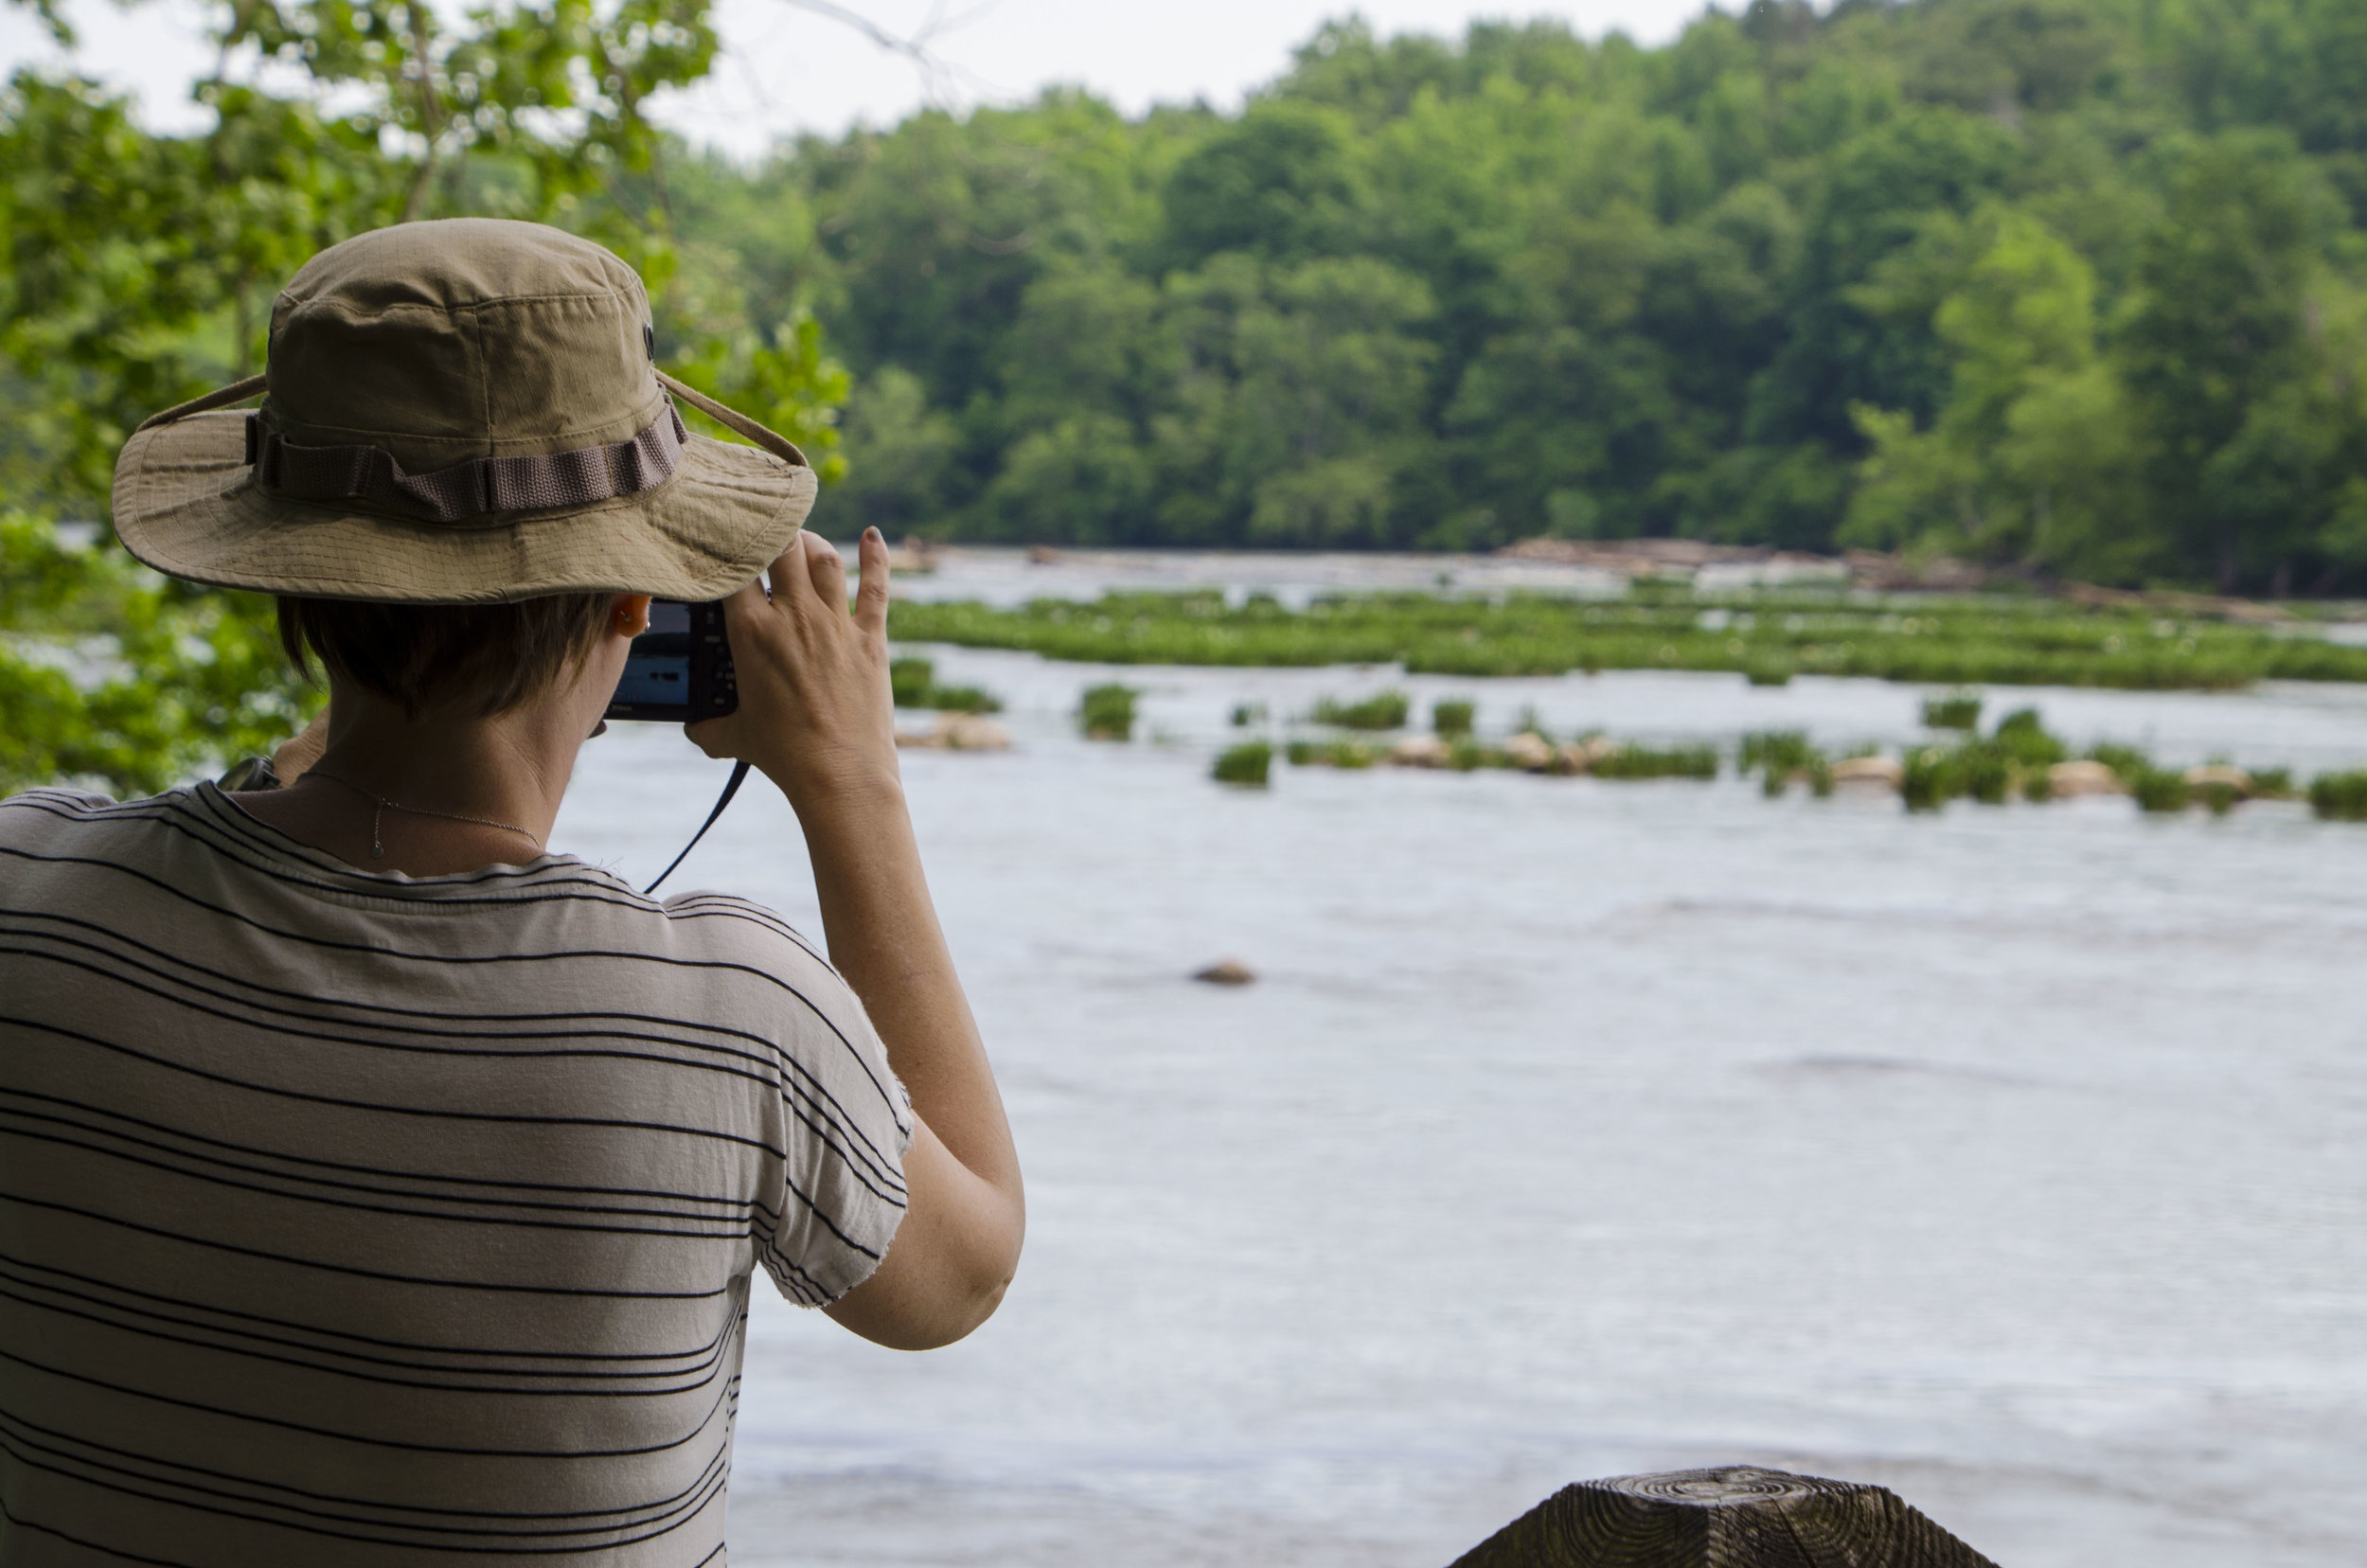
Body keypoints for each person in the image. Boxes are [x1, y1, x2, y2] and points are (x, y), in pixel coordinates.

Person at [0, 219, 1023, 1565]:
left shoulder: (31, 893)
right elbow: (961, 1275)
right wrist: (852, 785)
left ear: (283, 584)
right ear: (630, 606)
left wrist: (337, 754)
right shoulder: (735, 1018)